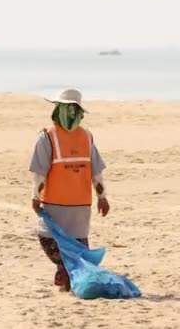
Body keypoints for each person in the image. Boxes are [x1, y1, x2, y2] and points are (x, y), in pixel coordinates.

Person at [29, 88, 110, 291]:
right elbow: (96, 173)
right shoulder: (83, 136)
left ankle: (67, 277)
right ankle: (69, 279)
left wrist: (35, 196)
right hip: (80, 204)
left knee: (49, 240)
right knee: (76, 247)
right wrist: (102, 196)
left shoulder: (48, 137)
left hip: (58, 204)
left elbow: (40, 172)